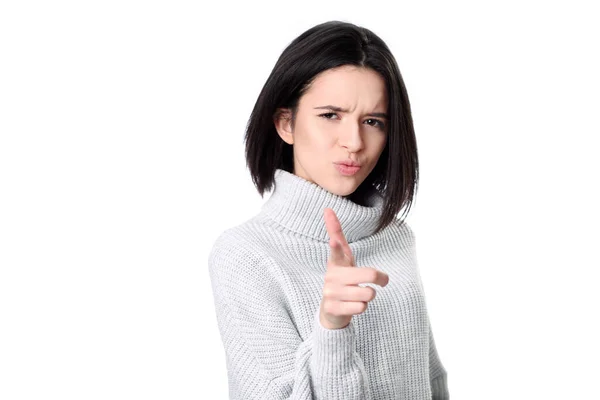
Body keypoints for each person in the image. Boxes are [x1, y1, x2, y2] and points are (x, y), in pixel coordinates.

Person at [207, 20, 449, 400]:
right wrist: (332, 329)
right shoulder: (245, 255)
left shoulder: (395, 236)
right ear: (286, 123)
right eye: (330, 115)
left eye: (373, 122)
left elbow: (429, 378)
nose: (354, 142)